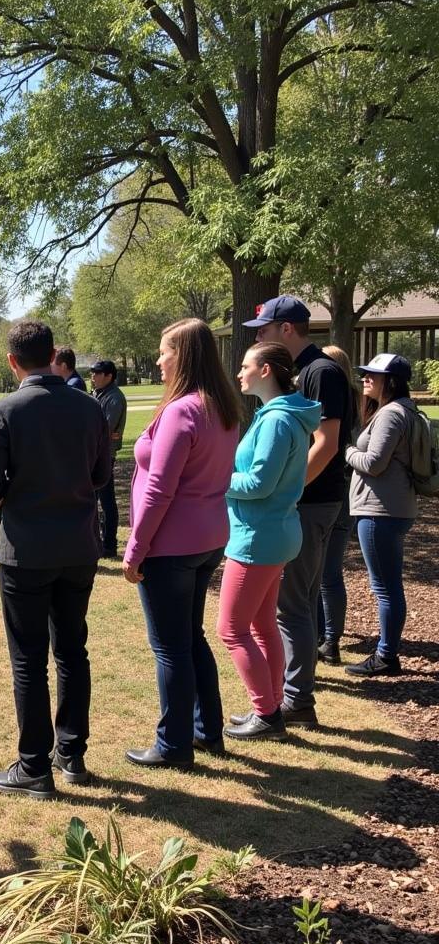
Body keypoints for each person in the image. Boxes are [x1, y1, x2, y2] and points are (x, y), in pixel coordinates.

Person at [0, 321, 111, 798]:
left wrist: (23, 491)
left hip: (26, 550)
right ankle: (71, 753)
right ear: (53, 354)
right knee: (72, 650)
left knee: (29, 659)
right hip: (77, 547)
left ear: (13, 362)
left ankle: (34, 764)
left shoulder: (5, 411)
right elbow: (99, 475)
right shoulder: (87, 407)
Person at [123, 318, 240, 769]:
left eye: (164, 351)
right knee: (190, 638)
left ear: (184, 356)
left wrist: (135, 550)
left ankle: (174, 746)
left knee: (171, 646)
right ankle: (206, 731)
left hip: (171, 547)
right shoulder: (220, 406)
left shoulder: (182, 411)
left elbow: (159, 490)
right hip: (207, 539)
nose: (158, 360)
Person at [246, 296, 353, 728]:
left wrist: (286, 492)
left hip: (310, 503)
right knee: (298, 602)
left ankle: (297, 701)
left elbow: (327, 444)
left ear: (287, 329)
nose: (258, 336)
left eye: (264, 329)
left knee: (293, 605)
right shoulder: (302, 373)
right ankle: (294, 692)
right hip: (304, 502)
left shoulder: (320, 372)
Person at [217, 343, 320, 741]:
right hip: (272, 533)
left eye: (245, 366)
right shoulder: (279, 416)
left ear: (266, 371)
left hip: (258, 538)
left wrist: (215, 477)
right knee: (260, 625)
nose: (239, 373)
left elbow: (259, 484)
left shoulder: (277, 421)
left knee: (231, 629)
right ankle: (271, 707)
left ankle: (267, 714)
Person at [344, 353, 418, 678]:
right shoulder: (407, 411)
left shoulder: (390, 414)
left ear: (391, 381)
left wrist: (345, 450)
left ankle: (386, 656)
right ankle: (388, 653)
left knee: (385, 588)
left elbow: (374, 463)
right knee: (388, 585)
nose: (365, 378)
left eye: (373, 374)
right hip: (395, 508)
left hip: (379, 511)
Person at [317, 345, 360, 665]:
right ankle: (323, 635)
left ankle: (330, 640)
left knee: (327, 573)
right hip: (342, 497)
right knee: (323, 573)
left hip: (337, 496)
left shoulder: (346, 404)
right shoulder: (356, 400)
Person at [90, 360, 128, 557]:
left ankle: (109, 545)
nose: (93, 377)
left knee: (106, 500)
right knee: (95, 498)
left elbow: (105, 428)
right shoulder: (98, 394)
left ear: (108, 376)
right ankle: (99, 540)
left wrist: (96, 431)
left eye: (97, 373)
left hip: (105, 455)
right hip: (95, 453)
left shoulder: (114, 397)